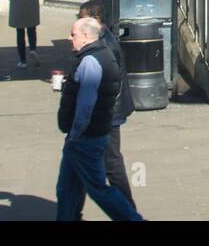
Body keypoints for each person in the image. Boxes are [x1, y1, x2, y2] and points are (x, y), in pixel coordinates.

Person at [56, 17, 143, 221]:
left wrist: (76, 134)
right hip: (87, 135)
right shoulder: (101, 53)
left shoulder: (90, 61)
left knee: (98, 189)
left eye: (73, 34)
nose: (69, 38)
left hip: (85, 137)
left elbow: (86, 104)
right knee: (67, 188)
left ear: (86, 36)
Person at [76, 0, 137, 217]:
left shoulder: (104, 45)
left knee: (110, 164)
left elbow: (105, 82)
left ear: (96, 19)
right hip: (106, 113)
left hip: (107, 113)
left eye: (81, 17)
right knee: (87, 165)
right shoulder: (100, 39)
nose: (78, 21)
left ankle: (129, 212)